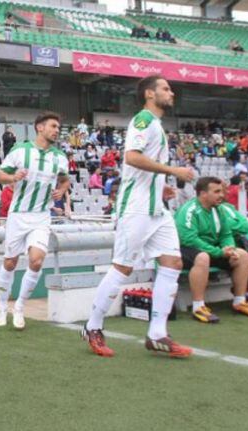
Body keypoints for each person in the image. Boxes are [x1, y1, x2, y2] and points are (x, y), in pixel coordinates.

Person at [81, 75, 196, 358]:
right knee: (123, 267)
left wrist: (161, 186)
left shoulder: (156, 124)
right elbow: (132, 157)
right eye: (166, 88)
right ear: (149, 93)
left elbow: (143, 168)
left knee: (173, 262)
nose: (172, 93)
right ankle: (92, 326)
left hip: (157, 209)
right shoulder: (143, 120)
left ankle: (157, 333)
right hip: (136, 207)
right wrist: (173, 172)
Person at [0, 111, 70, 330]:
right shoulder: (21, 151)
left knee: (36, 260)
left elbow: (65, 181)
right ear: (40, 127)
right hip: (18, 215)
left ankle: (19, 307)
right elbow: (0, 175)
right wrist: (12, 178)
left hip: (42, 216)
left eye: (58, 127)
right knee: (10, 262)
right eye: (53, 126)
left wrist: (60, 191)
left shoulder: (59, 157)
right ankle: (1, 307)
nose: (57, 130)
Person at [175, 177, 248, 323]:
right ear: (203, 194)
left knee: (242, 255)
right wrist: (219, 252)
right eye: (217, 191)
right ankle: (198, 307)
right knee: (202, 257)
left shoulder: (218, 209)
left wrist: (230, 248)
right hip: (186, 250)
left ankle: (239, 301)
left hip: (212, 250)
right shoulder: (189, 210)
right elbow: (189, 239)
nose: (221, 195)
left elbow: (226, 234)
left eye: (221, 191)